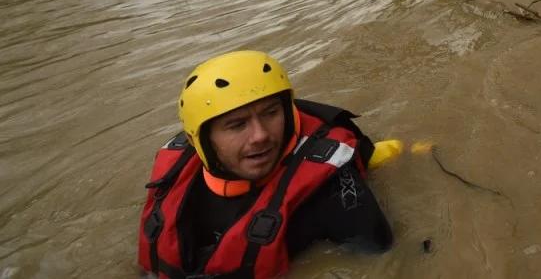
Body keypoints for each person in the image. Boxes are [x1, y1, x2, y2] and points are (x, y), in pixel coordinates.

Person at [137, 50, 395, 278]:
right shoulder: (175, 178)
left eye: (271, 113)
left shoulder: (330, 188)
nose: (260, 135)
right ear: (199, 141)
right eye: (237, 125)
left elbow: (383, 261)